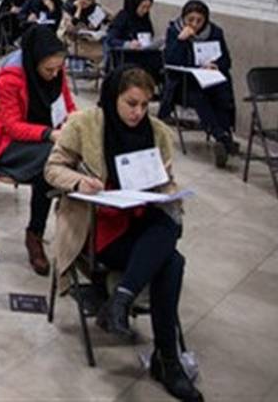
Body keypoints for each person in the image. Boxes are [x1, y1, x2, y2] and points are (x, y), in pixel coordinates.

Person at [45, 67, 201, 402]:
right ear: (113, 96)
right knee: (171, 262)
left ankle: (122, 300)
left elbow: (166, 182)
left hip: (144, 220)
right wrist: (79, 181)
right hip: (101, 226)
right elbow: (52, 169)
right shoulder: (85, 124)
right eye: (131, 103)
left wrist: (166, 188)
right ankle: (167, 360)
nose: (138, 112)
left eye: (145, 105)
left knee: (169, 229)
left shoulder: (157, 132)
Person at [0, 26, 75, 275]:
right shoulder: (10, 78)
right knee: (52, 161)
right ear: (33, 61)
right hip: (10, 147)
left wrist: (75, 123)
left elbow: (68, 106)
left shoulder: (57, 73)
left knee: (66, 160)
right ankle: (35, 234)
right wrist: (48, 133)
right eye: (49, 70)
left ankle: (74, 234)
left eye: (58, 69)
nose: (54, 74)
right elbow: (12, 126)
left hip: (45, 145)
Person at [161, 0, 237, 167]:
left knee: (222, 92)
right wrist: (181, 41)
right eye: (190, 20)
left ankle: (224, 133)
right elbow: (170, 61)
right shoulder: (174, 31)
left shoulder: (215, 32)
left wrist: (216, 65)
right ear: (184, 18)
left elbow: (226, 60)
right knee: (199, 96)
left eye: (199, 20)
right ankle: (221, 136)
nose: (195, 24)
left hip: (210, 80)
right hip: (185, 83)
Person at [106, 0, 157, 76]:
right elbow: (110, 39)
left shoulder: (145, 20)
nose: (145, 11)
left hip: (142, 56)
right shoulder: (123, 18)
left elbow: (149, 34)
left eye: (148, 8)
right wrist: (128, 44)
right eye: (143, 7)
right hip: (124, 58)